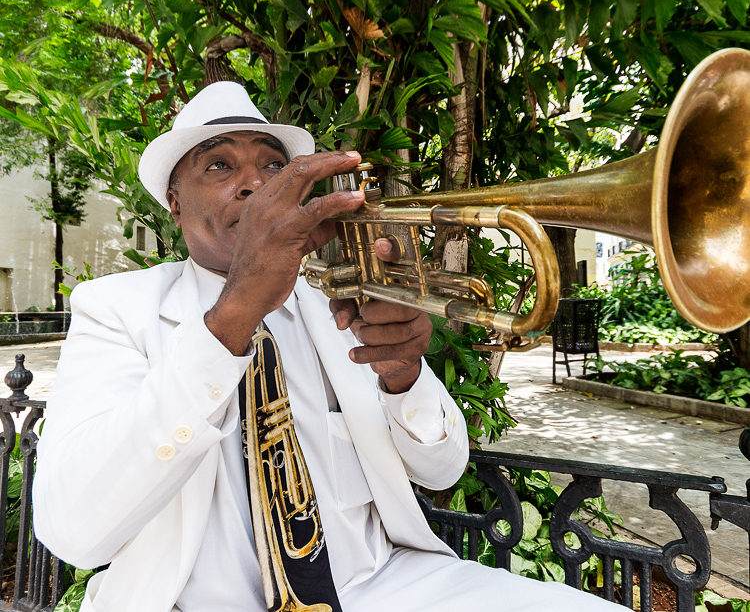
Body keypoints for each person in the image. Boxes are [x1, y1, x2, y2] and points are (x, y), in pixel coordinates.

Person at [32, 82, 622, 612]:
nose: (254, 185)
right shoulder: (115, 308)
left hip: (378, 589)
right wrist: (237, 311)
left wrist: (403, 375)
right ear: (175, 203)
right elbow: (73, 531)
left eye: (271, 166)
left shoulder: (337, 302)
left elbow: (443, 470)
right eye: (218, 165)